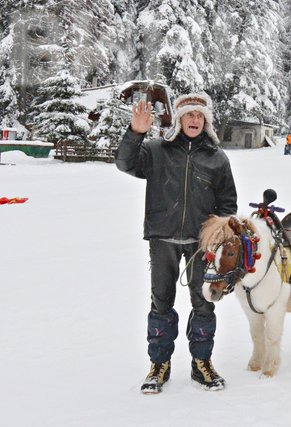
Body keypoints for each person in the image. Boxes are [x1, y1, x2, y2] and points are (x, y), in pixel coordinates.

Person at [115, 93, 238, 394]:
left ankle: (201, 363)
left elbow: (228, 204)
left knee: (205, 303)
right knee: (161, 304)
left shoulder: (217, 158)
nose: (195, 120)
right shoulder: (157, 150)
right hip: (163, 239)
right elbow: (124, 163)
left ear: (205, 121)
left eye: (200, 116)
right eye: (189, 115)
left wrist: (216, 235)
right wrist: (136, 133)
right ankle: (159, 365)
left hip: (201, 245)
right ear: (180, 120)